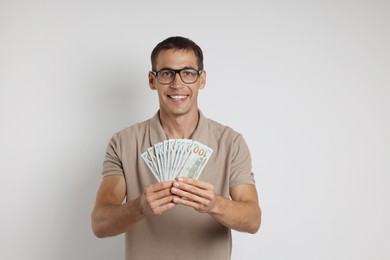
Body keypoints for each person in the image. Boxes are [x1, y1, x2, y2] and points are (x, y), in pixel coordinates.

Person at [91, 36, 261, 260]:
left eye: (188, 73)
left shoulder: (231, 142)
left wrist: (215, 204)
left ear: (202, 80)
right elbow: (100, 223)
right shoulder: (123, 142)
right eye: (167, 73)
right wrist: (139, 207)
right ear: (152, 80)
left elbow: (253, 220)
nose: (177, 84)